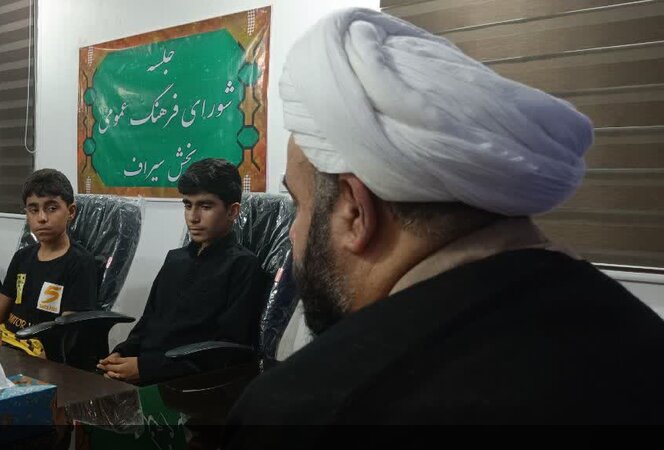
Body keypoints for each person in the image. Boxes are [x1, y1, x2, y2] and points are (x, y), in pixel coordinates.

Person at [224, 8, 664, 436]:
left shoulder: (304, 409)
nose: (293, 232)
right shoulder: (639, 332)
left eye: (298, 204)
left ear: (355, 211)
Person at [98, 159, 269, 385]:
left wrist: (145, 368)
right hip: (146, 372)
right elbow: (148, 323)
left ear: (232, 211)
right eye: (188, 205)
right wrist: (122, 352)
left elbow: (225, 352)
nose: (193, 217)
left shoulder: (244, 267)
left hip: (188, 385)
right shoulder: (175, 260)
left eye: (205, 206)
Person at [0, 169, 100, 365]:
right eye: (33, 210)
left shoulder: (80, 263)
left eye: (52, 208)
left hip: (38, 355)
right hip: (6, 343)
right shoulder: (22, 257)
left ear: (71, 212)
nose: (41, 218)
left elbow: (66, 337)